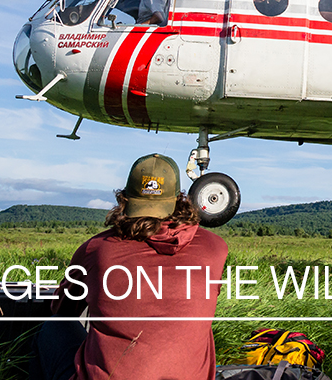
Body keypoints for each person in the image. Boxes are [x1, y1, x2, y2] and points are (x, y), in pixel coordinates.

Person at [34, 154, 228, 380]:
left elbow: (63, 309)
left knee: (54, 328)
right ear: (179, 200)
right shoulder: (215, 248)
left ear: (124, 200)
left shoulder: (96, 249)